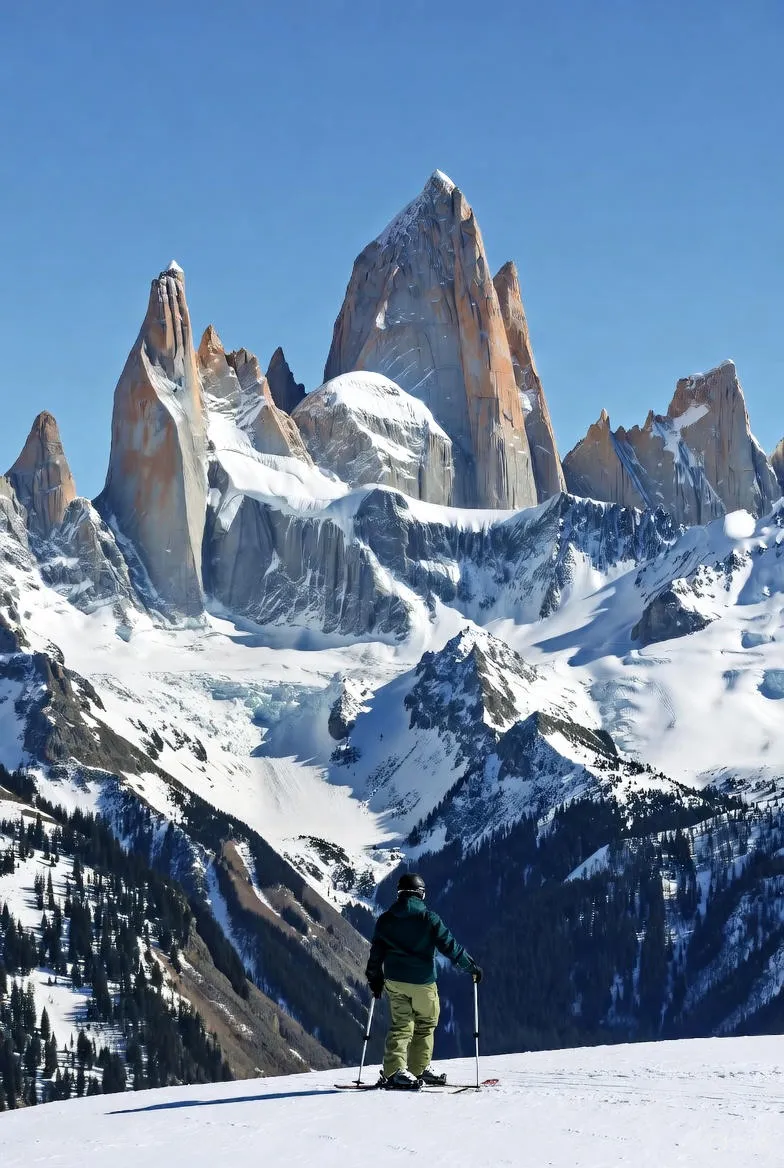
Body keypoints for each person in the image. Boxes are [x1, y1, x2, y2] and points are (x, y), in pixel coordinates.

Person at [365, 872, 482, 1090]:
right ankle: (418, 1068)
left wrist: (375, 980)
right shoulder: (429, 919)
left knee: (401, 1026)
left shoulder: (385, 920)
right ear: (421, 893)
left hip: (394, 981)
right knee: (426, 1023)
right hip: (423, 982)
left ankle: (394, 1071)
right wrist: (471, 967)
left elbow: (376, 954)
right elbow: (450, 946)